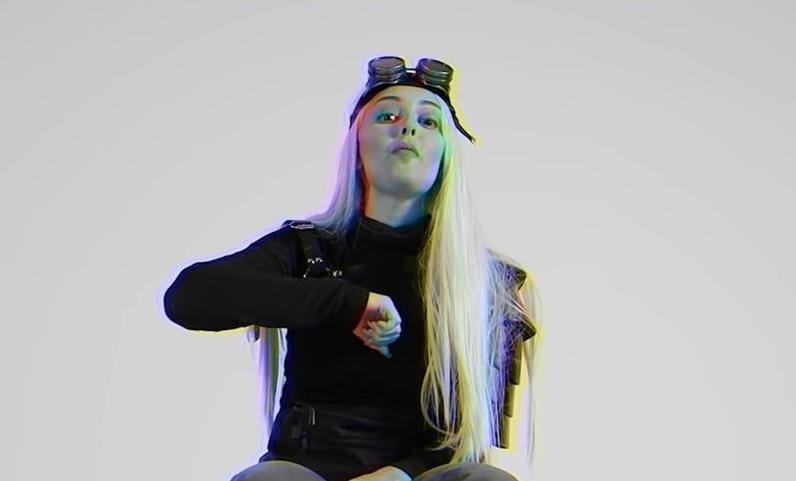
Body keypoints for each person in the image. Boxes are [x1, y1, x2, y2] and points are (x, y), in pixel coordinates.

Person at [163, 56, 542, 481]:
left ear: (447, 156)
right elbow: (190, 296)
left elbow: (474, 430)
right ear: (357, 145)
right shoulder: (307, 249)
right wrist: (348, 302)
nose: (408, 128)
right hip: (305, 468)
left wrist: (398, 475)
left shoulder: (491, 283)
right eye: (388, 116)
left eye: (428, 121)